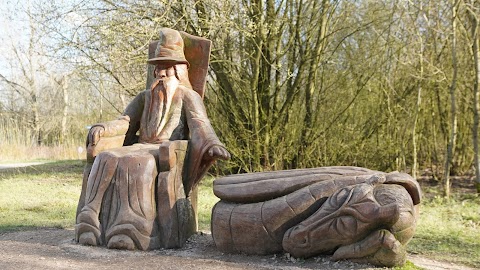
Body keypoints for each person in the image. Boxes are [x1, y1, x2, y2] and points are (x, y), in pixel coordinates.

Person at [75, 28, 229, 250]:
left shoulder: (188, 96)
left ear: (178, 70)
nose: (160, 73)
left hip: (167, 149)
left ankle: (133, 227)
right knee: (106, 156)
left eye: (166, 67)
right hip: (141, 145)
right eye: (157, 67)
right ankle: (90, 219)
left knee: (140, 162)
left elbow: (200, 125)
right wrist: (103, 128)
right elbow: (125, 122)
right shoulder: (144, 97)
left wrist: (212, 144)